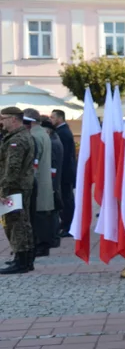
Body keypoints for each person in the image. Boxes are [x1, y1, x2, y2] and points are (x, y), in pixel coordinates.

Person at [0, 107, 36, 274]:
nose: (1, 122)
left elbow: (12, 168)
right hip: (20, 186)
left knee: (16, 223)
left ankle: (21, 261)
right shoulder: (18, 136)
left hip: (15, 187)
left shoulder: (17, 140)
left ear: (14, 119)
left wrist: (4, 190)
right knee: (21, 221)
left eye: (4, 118)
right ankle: (24, 259)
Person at [23, 109, 54, 257]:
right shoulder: (42, 133)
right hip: (44, 179)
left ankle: (41, 245)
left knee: (38, 215)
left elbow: (33, 162)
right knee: (42, 214)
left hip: (37, 180)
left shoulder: (34, 135)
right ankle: (42, 245)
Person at [50, 109, 75, 238]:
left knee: (66, 199)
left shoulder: (62, 133)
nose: (51, 120)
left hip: (65, 172)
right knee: (66, 198)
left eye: (52, 117)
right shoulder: (62, 131)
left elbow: (63, 156)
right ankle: (66, 223)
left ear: (59, 118)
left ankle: (69, 225)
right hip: (65, 171)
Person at [40, 119, 64, 248]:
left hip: (52, 182)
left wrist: (52, 183)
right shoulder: (55, 140)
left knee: (53, 211)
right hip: (54, 181)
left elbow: (53, 165)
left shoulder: (53, 143)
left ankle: (54, 237)